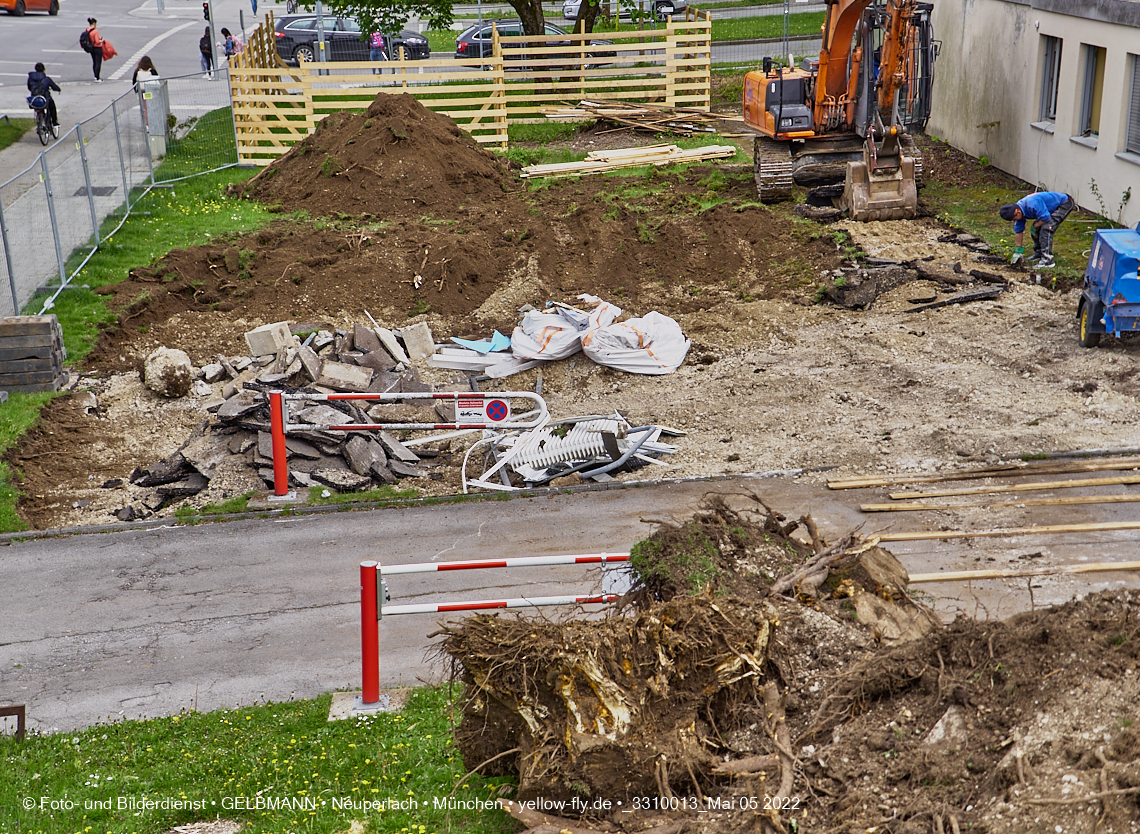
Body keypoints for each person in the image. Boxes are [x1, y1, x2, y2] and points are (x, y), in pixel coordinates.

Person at [999, 191, 1075, 269]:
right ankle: (1039, 254)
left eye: (1014, 219)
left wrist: (1035, 225)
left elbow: (1046, 218)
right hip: (1047, 210)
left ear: (1017, 212)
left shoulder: (1032, 204)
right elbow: (1018, 230)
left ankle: (1048, 261)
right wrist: (1018, 251)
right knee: (1035, 230)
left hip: (1064, 203)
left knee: (1046, 229)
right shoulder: (1019, 210)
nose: (1014, 221)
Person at [27, 62, 61, 137]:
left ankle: (39, 123)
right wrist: (58, 89)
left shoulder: (30, 78)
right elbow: (54, 87)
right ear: (43, 70)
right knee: (52, 107)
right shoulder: (46, 79)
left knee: (38, 109)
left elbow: (29, 87)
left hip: (35, 99)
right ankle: (55, 123)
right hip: (45, 98)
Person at [83, 18, 104, 82]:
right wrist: (101, 40)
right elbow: (97, 41)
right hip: (97, 48)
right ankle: (97, 77)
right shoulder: (95, 31)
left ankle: (95, 76)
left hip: (91, 48)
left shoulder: (88, 30)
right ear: (94, 23)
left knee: (94, 62)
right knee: (98, 63)